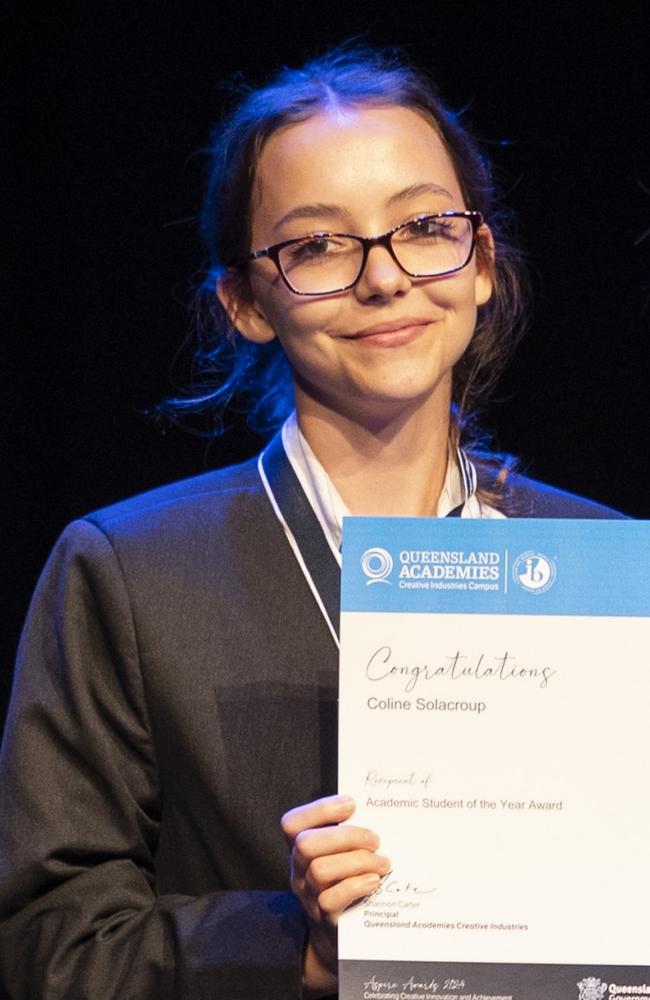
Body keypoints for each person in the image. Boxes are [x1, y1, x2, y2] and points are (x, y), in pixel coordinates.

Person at [0, 44, 624, 1000]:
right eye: (319, 245)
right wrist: (294, 947)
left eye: (423, 226)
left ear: (482, 262)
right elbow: (48, 945)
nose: (384, 278)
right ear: (246, 302)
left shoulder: (607, 572)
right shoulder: (129, 574)